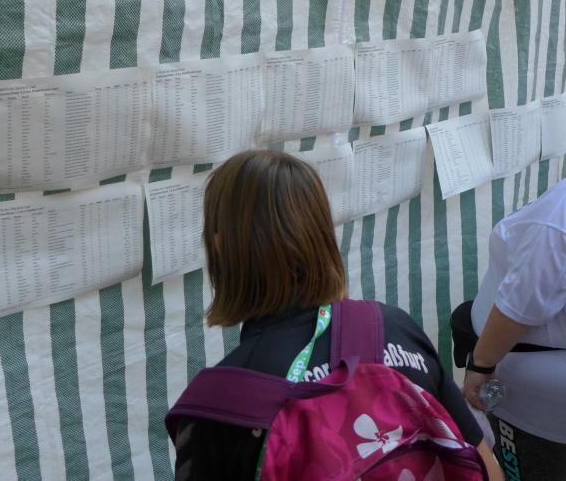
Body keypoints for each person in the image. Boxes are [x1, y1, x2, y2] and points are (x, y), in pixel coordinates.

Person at [173, 150, 501, 480]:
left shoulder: (219, 402)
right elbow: (487, 468)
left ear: (220, 245)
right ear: (321, 235)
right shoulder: (393, 327)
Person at [464, 178, 566, 480]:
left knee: (531, 470)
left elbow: (519, 306)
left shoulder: (557, 220)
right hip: (543, 382)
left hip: (533, 399)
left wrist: (480, 365)